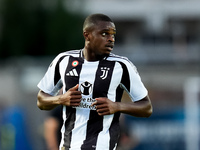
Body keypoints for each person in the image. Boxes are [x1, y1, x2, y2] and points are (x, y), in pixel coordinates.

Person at [37, 13, 152, 150]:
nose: (111, 39)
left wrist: (117, 106)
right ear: (87, 35)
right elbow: (41, 100)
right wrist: (61, 99)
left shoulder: (121, 66)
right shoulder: (63, 60)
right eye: (104, 34)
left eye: (113, 34)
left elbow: (146, 107)